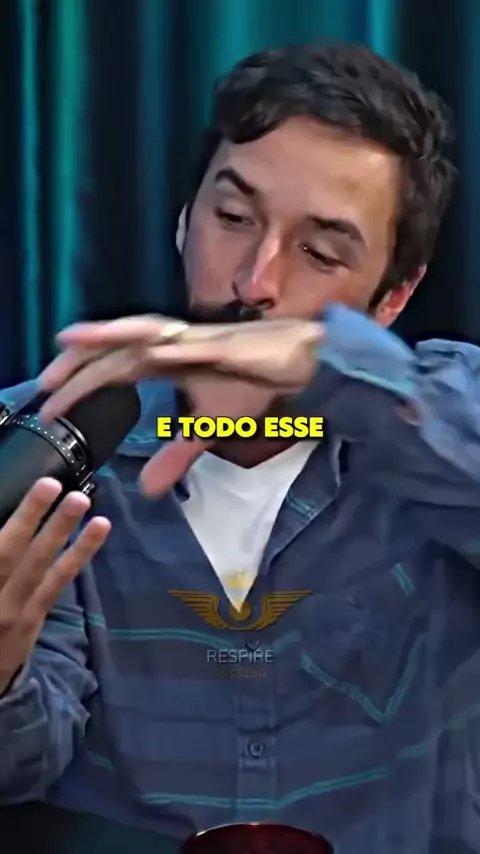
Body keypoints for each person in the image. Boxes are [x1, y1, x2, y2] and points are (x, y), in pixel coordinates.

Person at [0, 42, 478, 854]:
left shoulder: (447, 420)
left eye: (320, 252)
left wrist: (333, 365)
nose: (255, 282)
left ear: (393, 298)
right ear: (184, 221)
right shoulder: (47, 435)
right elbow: (21, 772)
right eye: (233, 218)